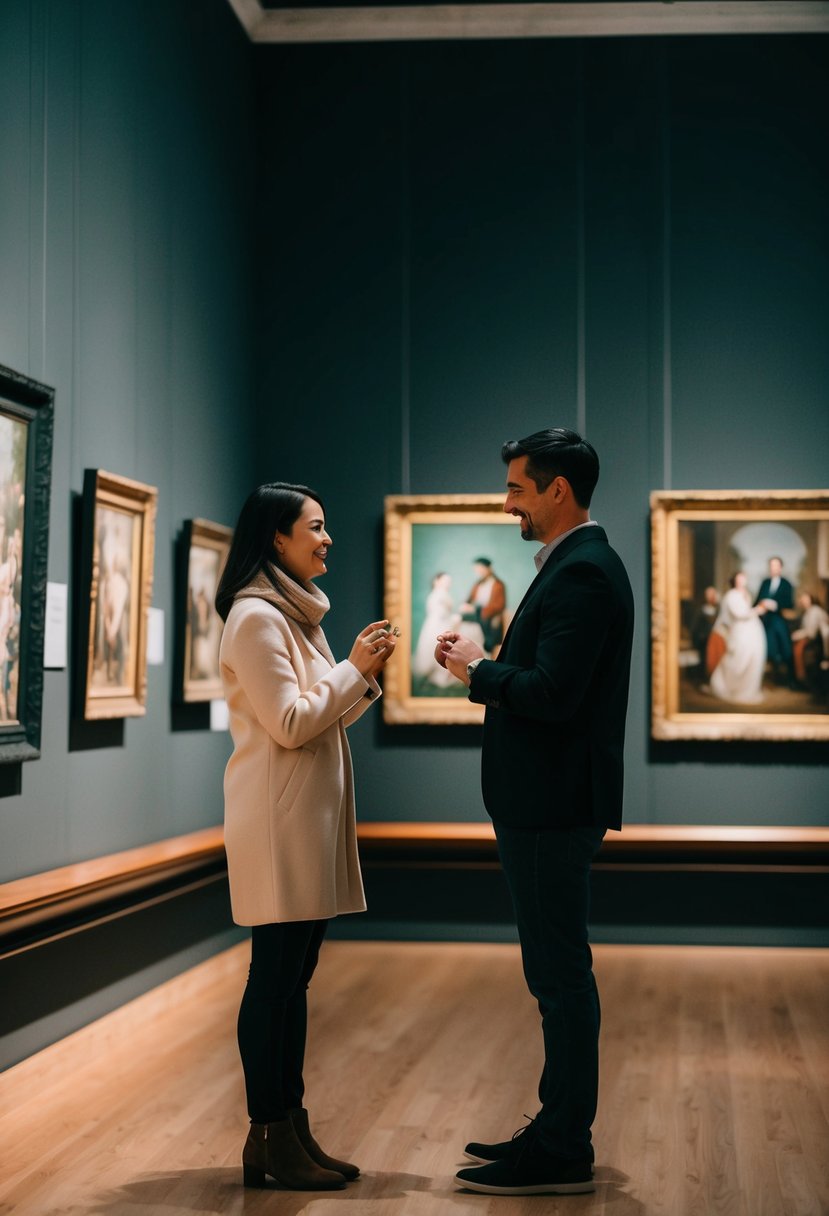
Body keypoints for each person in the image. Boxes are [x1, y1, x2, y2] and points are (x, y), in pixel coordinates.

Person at [435, 428, 634, 1198]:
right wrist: (484, 664)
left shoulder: (583, 572)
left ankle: (560, 1147)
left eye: (517, 487)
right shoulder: (576, 567)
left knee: (558, 977)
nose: (506, 501)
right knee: (554, 974)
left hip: (550, 808)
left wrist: (477, 671)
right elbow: (553, 680)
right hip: (547, 804)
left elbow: (552, 696)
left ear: (557, 490)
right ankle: (556, 1131)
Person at [216, 482, 397, 1192]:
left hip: (302, 821)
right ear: (276, 540)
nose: (327, 540)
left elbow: (319, 717)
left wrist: (358, 669)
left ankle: (288, 1129)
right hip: (278, 823)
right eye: (314, 528)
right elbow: (291, 723)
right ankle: (267, 1133)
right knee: (274, 983)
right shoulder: (257, 618)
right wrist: (353, 666)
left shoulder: (295, 616)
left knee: (292, 984)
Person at [709, 572, 767, 705]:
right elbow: (739, 614)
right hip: (740, 632)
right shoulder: (732, 595)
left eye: (743, 578)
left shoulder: (746, 593)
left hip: (751, 631)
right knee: (738, 659)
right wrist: (758, 609)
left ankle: (748, 689)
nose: (742, 581)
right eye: (739, 578)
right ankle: (727, 687)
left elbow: (747, 612)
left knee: (753, 659)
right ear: (734, 581)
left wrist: (756, 610)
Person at [754, 556, 795, 686]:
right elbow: (757, 600)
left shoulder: (786, 584)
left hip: (779, 619)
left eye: (776, 566)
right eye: (771, 566)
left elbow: (789, 603)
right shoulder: (765, 582)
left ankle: (790, 680)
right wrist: (760, 606)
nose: (773, 568)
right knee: (768, 649)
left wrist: (775, 605)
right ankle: (771, 679)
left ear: (780, 568)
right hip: (765, 621)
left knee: (785, 648)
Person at [412, 572, 456, 689]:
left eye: (448, 582)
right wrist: (454, 618)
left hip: (441, 623)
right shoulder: (437, 595)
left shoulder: (442, 594)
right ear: (436, 581)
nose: (447, 584)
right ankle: (432, 676)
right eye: (444, 581)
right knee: (434, 647)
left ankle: (439, 675)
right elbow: (439, 613)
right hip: (437, 624)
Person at [460, 558, 506, 655]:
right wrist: (466, 605)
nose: (478, 572)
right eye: (477, 570)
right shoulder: (478, 584)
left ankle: (487, 649)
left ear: (489, 568)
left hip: (489, 616)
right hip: (478, 614)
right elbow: (470, 599)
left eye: (481, 569)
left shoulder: (498, 585)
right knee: (460, 618)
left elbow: (499, 606)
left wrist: (477, 609)